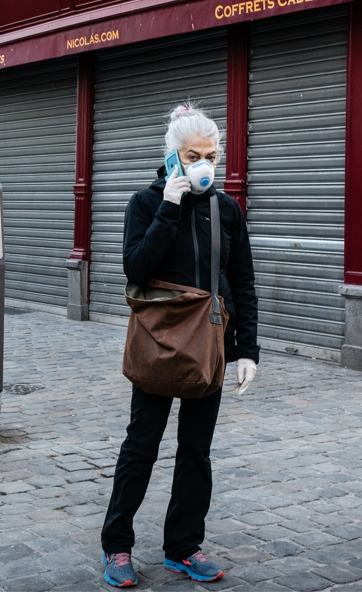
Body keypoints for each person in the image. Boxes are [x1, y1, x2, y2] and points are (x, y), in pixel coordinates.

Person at [101, 103, 260, 588]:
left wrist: (247, 350)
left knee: (196, 451)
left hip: (209, 341)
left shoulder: (226, 208)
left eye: (211, 155)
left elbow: (242, 281)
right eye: (193, 155)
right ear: (173, 156)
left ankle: (184, 546)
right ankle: (118, 547)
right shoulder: (145, 202)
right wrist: (169, 205)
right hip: (159, 340)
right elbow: (136, 269)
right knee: (141, 446)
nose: (204, 164)